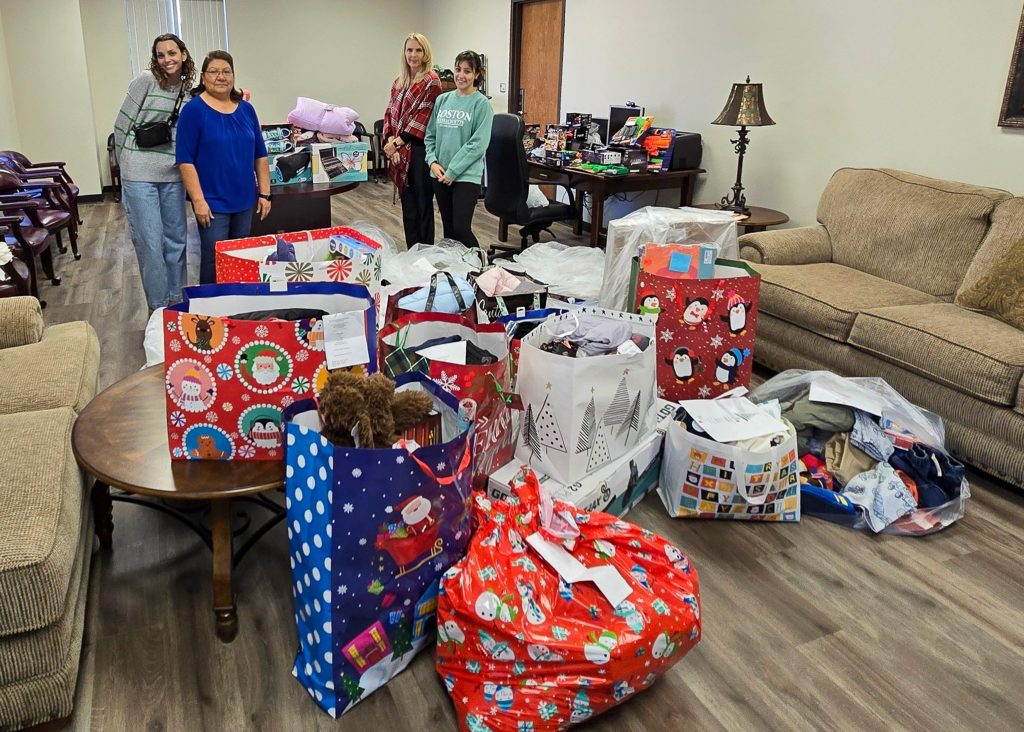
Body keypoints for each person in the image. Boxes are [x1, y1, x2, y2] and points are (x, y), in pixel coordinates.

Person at [113, 33, 195, 310]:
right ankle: (158, 308)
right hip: (139, 176)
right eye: (161, 55)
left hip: (172, 174)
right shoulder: (145, 81)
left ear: (183, 55)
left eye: (172, 53)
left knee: (176, 242)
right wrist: (126, 167)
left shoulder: (188, 89)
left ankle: (177, 302)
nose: (166, 60)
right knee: (150, 244)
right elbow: (121, 124)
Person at [176, 50, 271, 284]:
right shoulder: (193, 111)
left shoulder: (246, 109)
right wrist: (198, 200)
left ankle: (237, 308)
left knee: (240, 256)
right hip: (211, 203)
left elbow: (260, 154)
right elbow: (185, 160)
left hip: (244, 200)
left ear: (234, 76)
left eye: (226, 71)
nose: (221, 77)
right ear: (203, 77)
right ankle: (209, 313)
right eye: (214, 71)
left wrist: (265, 194)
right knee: (213, 258)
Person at [424, 51, 493, 249]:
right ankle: (457, 274)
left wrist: (453, 170)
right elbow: (430, 136)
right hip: (439, 174)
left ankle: (482, 267)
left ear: (477, 74)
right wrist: (432, 162)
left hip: (465, 176)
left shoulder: (481, 104)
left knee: (461, 228)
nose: (461, 75)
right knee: (449, 230)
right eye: (458, 69)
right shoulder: (442, 100)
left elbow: (478, 144)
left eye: (467, 71)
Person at [382, 33, 443, 248]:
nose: (413, 55)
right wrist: (391, 142)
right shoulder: (399, 82)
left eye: (418, 50)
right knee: (408, 206)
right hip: (399, 150)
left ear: (425, 53)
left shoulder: (431, 81)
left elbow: (423, 118)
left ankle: (425, 252)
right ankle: (412, 252)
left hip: (418, 150)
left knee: (422, 204)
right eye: (409, 50)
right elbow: (390, 113)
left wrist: (397, 143)